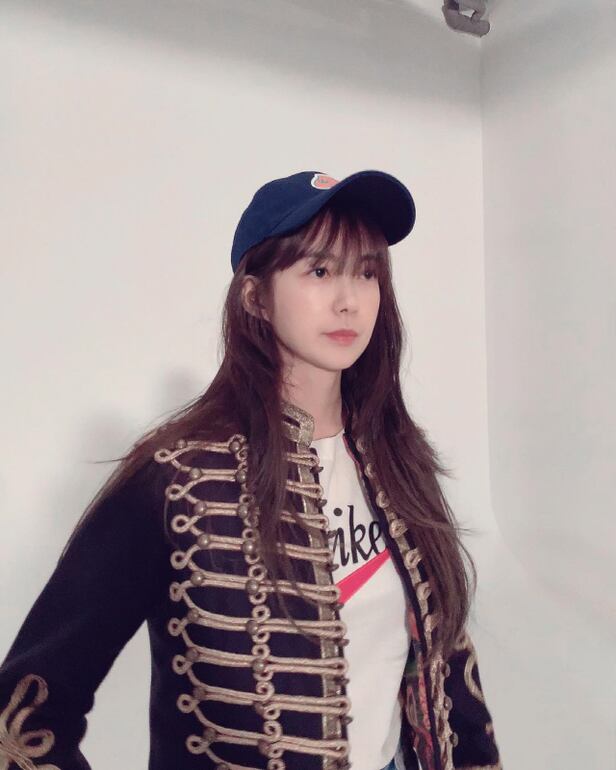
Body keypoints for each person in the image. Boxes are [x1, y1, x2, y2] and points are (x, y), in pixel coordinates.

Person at [0, 170, 503, 770]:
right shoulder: (175, 480)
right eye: (319, 272)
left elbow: (453, 688)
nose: (349, 299)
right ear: (255, 297)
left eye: (367, 273)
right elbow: (25, 715)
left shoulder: (400, 463)